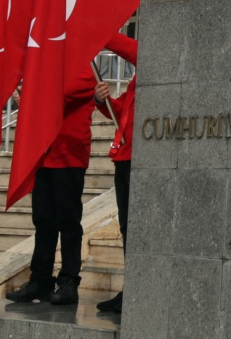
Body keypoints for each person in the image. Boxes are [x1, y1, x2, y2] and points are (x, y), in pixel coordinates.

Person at [6, 63, 97, 306]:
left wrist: (32, 92)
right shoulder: (50, 72)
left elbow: (64, 95)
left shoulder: (82, 68)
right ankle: (41, 280)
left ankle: (68, 281)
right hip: (45, 155)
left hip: (69, 156)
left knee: (68, 222)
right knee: (43, 221)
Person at [94, 34, 137, 314]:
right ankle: (131, 288)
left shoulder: (157, 62)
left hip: (139, 161)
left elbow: (137, 51)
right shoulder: (136, 81)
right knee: (127, 228)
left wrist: (102, 33)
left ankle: (134, 289)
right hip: (125, 159)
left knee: (135, 229)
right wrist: (103, 100)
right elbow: (122, 112)